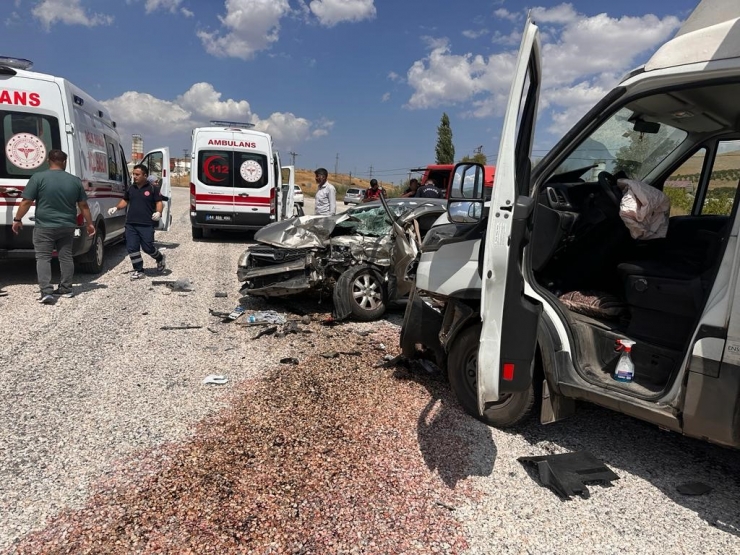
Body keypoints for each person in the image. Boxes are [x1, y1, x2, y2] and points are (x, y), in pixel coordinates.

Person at [12, 150, 96, 303]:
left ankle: (46, 292)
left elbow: (26, 201)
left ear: (48, 161)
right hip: (67, 225)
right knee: (65, 257)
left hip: (44, 226)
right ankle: (66, 288)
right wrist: (90, 224)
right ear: (64, 162)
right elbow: (83, 205)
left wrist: (17, 219)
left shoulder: (38, 177)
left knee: (43, 258)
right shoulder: (74, 181)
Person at [108, 164, 166, 279]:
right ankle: (139, 270)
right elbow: (125, 200)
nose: (134, 176)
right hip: (131, 224)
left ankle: (160, 258)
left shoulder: (153, 188)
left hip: (146, 224)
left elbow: (159, 203)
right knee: (132, 248)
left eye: (137, 174)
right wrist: (116, 208)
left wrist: (159, 213)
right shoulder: (131, 188)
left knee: (147, 247)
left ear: (145, 175)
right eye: (133, 174)